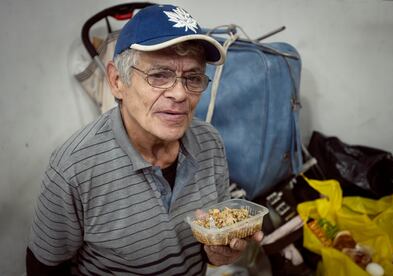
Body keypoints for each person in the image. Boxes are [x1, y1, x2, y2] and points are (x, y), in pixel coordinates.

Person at [26, 4, 263, 275]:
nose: (179, 94)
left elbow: (208, 241)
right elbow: (43, 268)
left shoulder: (210, 142)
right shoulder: (73, 169)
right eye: (159, 75)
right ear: (117, 81)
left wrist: (217, 252)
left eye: (193, 77)